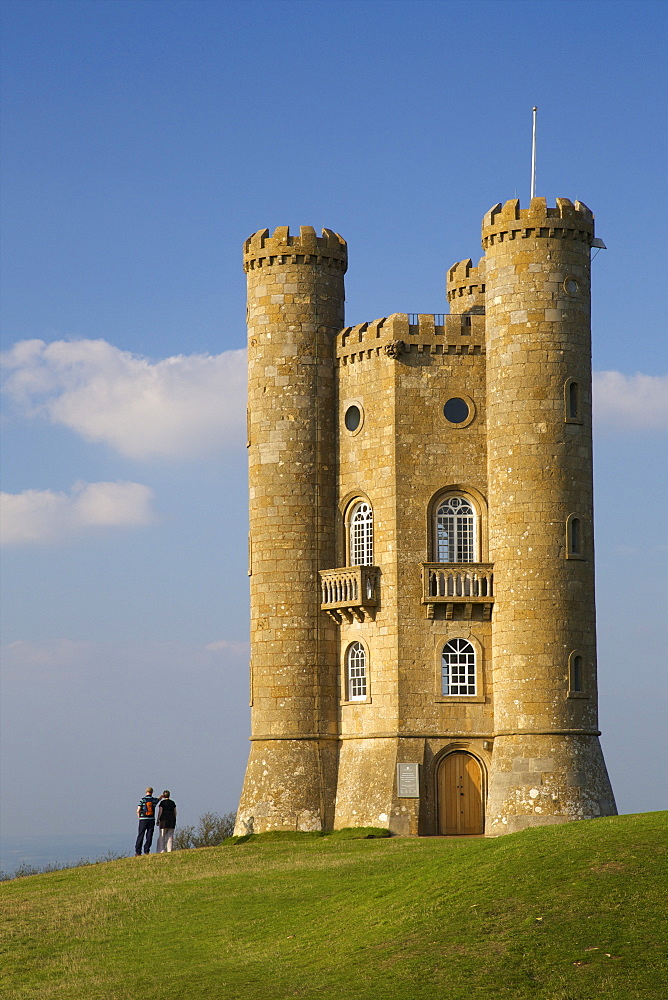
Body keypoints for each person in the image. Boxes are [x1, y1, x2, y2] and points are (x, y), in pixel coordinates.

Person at [135, 786, 160, 856]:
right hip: (151, 819)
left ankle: (138, 851)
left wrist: (139, 817)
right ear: (152, 792)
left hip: (143, 820)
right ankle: (146, 850)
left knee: (140, 835)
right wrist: (161, 796)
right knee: (149, 835)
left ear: (146, 792)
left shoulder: (142, 800)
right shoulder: (154, 800)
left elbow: (138, 810)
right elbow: (158, 799)